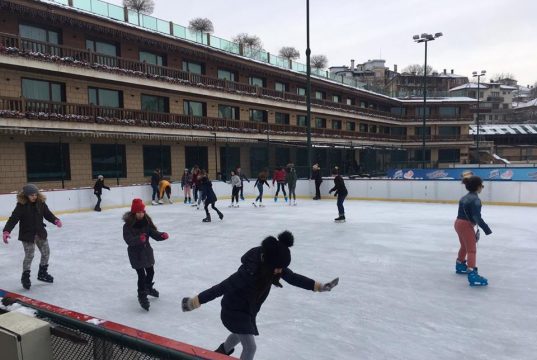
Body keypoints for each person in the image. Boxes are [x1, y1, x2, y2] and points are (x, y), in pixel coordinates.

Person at [181, 230, 339, 360]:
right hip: (233, 311)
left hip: (247, 311)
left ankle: (220, 353)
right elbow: (221, 288)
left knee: (238, 334)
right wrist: (194, 302)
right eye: (278, 268)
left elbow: (293, 277)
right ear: (269, 263)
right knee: (250, 347)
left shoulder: (271, 262)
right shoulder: (248, 272)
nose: (280, 271)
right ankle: (221, 352)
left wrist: (319, 286)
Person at [2, 184, 62, 290]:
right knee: (29, 256)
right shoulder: (21, 206)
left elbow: (48, 214)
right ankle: (25, 277)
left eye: (35, 194)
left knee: (46, 252)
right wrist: (6, 231)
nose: (34, 197)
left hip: (40, 233)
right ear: (26, 196)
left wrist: (55, 220)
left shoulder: (41, 203)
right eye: (31, 195)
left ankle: (42, 273)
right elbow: (13, 219)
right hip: (27, 235)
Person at [123, 198, 169, 310]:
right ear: (134, 213)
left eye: (142, 212)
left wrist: (161, 235)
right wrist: (140, 239)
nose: (141, 214)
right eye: (138, 212)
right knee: (141, 275)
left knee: (151, 271)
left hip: (147, 252)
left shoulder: (146, 223)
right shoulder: (128, 226)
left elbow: (153, 233)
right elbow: (128, 240)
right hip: (136, 254)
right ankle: (142, 294)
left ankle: (148, 287)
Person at [455, 176, 492, 286]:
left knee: (464, 246)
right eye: (482, 186)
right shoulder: (475, 200)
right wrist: (486, 229)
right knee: (472, 250)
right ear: (478, 187)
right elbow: (476, 217)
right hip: (466, 225)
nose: (482, 188)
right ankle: (472, 274)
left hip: (458, 223)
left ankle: (460, 264)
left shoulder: (463, 198)